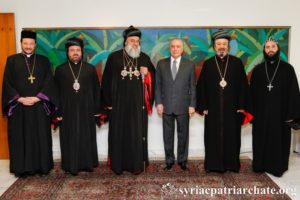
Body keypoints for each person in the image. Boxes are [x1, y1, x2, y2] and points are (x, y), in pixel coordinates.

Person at [2, 30, 58, 177]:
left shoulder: (44, 61)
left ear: (35, 45)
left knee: (40, 136)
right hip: (19, 107)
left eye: (31, 43)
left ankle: (42, 167)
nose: (28, 46)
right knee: (19, 137)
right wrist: (19, 98)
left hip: (39, 107)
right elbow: (7, 83)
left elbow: (49, 82)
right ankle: (21, 169)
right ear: (21, 43)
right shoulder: (12, 60)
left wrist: (38, 98)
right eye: (25, 43)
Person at [102, 25, 155, 175]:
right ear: (125, 41)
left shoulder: (144, 58)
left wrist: (148, 74)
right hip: (118, 105)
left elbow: (154, 80)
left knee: (136, 134)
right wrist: (108, 103)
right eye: (132, 40)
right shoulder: (114, 57)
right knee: (118, 134)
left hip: (138, 106)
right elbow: (106, 81)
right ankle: (118, 165)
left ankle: (136, 165)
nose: (135, 43)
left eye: (137, 41)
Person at [196, 29, 249, 173]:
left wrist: (241, 106)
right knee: (212, 137)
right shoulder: (208, 64)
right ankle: (213, 165)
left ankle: (231, 164)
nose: (221, 46)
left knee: (232, 137)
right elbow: (202, 86)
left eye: (224, 44)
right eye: (218, 44)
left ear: (228, 46)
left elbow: (243, 86)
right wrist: (203, 106)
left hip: (232, 109)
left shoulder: (237, 63)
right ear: (214, 46)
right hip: (213, 109)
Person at [250, 37, 300, 177]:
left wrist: (292, 115)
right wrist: (251, 113)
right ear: (264, 50)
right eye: (267, 47)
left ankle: (278, 167)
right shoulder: (258, 70)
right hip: (261, 114)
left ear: (278, 49)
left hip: (281, 114)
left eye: (273, 47)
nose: (270, 49)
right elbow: (252, 93)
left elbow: (294, 93)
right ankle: (259, 165)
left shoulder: (288, 69)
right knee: (261, 139)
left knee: (279, 140)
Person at [54, 37, 101, 175]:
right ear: (67, 52)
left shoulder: (90, 69)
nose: (75, 53)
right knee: (69, 137)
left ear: (82, 52)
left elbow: (96, 90)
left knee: (86, 136)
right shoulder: (60, 70)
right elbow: (55, 93)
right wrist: (58, 112)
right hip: (67, 111)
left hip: (86, 109)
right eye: (72, 50)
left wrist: (96, 111)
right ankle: (70, 165)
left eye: (78, 50)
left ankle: (87, 164)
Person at [155, 38, 196, 171]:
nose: (175, 49)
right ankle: (169, 160)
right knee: (167, 135)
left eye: (178, 46)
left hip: (183, 106)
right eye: (172, 46)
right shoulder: (161, 64)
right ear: (169, 48)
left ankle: (183, 160)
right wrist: (159, 103)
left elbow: (193, 87)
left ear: (182, 49)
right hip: (166, 105)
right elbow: (158, 86)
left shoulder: (189, 65)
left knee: (183, 135)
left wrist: (192, 105)